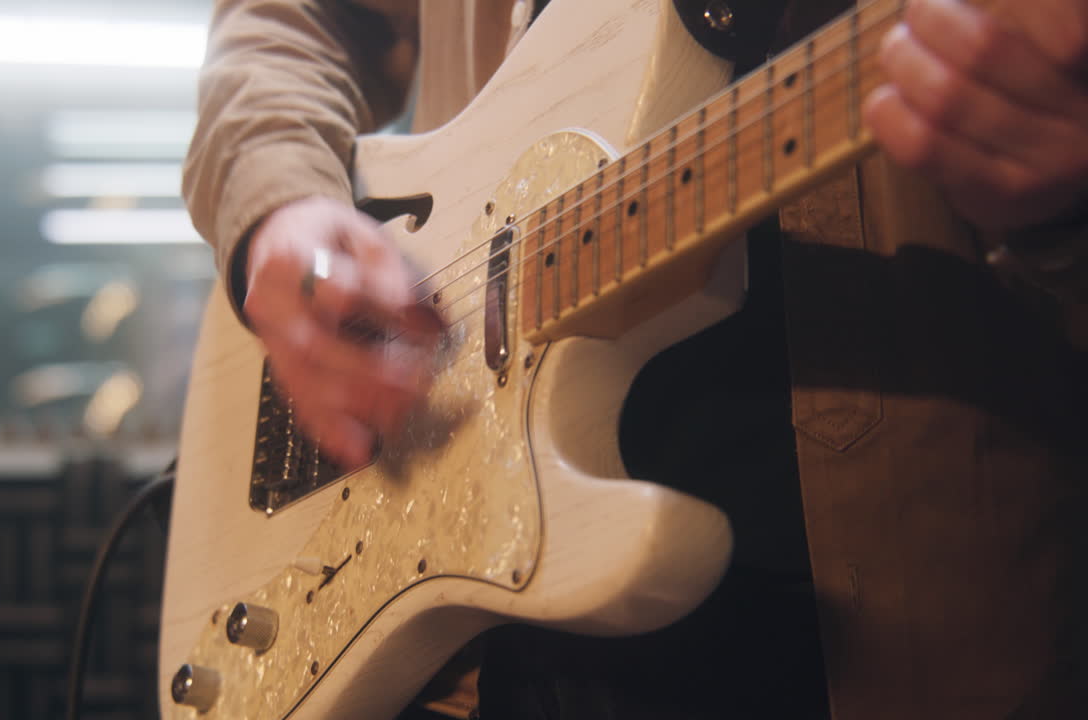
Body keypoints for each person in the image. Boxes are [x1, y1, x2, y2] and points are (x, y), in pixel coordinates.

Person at [182, 0, 1088, 718]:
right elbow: (289, 17)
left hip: (913, 628)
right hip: (484, 633)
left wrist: (1068, 214)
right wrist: (279, 206)